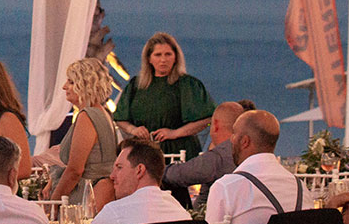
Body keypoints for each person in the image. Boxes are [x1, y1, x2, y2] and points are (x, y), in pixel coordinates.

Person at [114, 31, 215, 161]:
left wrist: (175, 133)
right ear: (149, 58)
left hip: (179, 153)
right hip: (144, 152)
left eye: (168, 54)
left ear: (175, 57)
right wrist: (134, 130)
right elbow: (120, 118)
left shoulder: (188, 85)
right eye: (158, 55)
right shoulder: (136, 85)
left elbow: (207, 119)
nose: (163, 59)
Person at [47, 58, 118, 209]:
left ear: (86, 85)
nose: (64, 87)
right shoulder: (103, 113)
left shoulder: (87, 116)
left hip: (88, 196)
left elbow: (75, 171)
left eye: (71, 82)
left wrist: (53, 203)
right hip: (102, 192)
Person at [162, 101, 254, 206]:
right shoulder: (249, 150)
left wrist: (155, 170)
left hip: (217, 219)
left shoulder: (219, 156)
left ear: (216, 125)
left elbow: (179, 174)